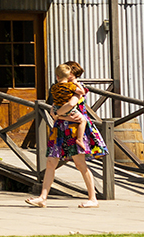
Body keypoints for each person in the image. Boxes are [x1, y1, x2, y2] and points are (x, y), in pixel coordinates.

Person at [25, 62, 107, 208]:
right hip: (60, 129)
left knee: (80, 164)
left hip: (74, 131)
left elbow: (69, 107)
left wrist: (58, 114)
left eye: (69, 74)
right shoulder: (62, 89)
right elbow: (54, 110)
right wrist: (58, 115)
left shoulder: (77, 89)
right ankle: (42, 197)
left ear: (73, 75)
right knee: (50, 163)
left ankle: (93, 198)